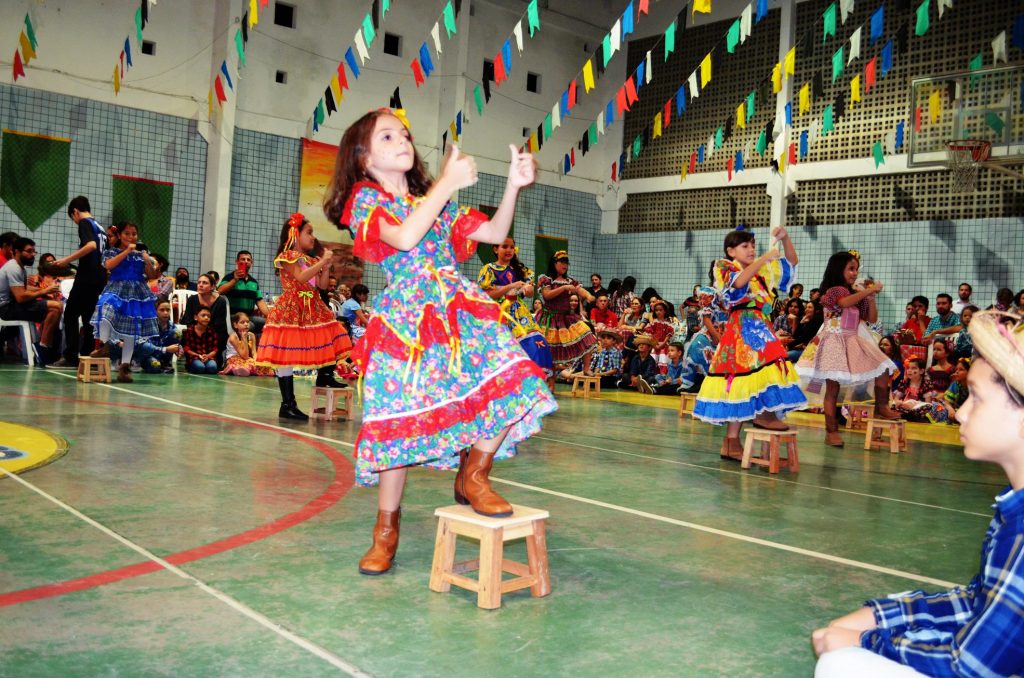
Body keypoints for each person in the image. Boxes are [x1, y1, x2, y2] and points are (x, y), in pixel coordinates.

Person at [323, 109, 556, 575]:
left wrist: (512, 185)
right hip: (405, 321)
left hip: (459, 307)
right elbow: (407, 238)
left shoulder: (437, 199)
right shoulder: (365, 200)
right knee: (395, 419)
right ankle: (385, 529)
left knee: (512, 380)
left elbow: (493, 233)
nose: (403, 140)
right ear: (363, 157)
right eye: (387, 135)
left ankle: (475, 473)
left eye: (406, 134)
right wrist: (446, 184)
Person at [812, 310, 1024, 677]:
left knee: (840, 664)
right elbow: (979, 601)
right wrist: (881, 615)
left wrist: (867, 642)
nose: (960, 414)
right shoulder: (1012, 505)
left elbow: (971, 664)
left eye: (976, 397)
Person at [693, 226, 807, 460]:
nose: (751, 250)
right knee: (740, 382)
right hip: (741, 328)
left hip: (761, 326)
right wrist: (764, 257)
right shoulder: (724, 267)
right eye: (745, 246)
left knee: (764, 374)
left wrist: (785, 240)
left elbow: (791, 263)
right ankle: (734, 438)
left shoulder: (762, 270)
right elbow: (737, 285)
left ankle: (758, 418)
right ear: (731, 251)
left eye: (753, 245)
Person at [795, 252, 899, 447]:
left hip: (852, 340)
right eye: (851, 269)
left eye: (856, 269)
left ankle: (882, 407)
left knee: (883, 367)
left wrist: (871, 298)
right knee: (832, 388)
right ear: (838, 269)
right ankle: (831, 430)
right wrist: (867, 291)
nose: (854, 273)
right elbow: (843, 303)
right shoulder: (833, 291)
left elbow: (871, 319)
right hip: (834, 340)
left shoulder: (855, 294)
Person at [255, 214, 352, 418]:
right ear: (295, 234)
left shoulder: (310, 259)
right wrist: (322, 262)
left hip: (312, 305)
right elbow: (300, 277)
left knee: (330, 336)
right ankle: (287, 404)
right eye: (309, 232)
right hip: (292, 307)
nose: (313, 237)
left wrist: (324, 268)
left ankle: (325, 374)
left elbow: (323, 286)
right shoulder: (287, 256)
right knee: (286, 354)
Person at [89, 222, 161, 383]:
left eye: (134, 234)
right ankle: (106, 345)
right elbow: (109, 265)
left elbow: (151, 275)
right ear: (120, 235)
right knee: (105, 311)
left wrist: (147, 261)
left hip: (136, 292)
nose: (131, 237)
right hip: (116, 288)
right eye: (127, 233)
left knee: (130, 332)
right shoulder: (111, 251)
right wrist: (127, 251)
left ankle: (125, 367)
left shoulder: (140, 254)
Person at [478, 237, 554, 381]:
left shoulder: (520, 270)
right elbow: (487, 294)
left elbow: (531, 291)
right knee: (501, 349)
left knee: (537, 342)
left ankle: (533, 380)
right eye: (504, 246)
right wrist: (510, 287)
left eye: (511, 247)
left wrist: (527, 288)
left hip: (519, 312)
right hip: (498, 313)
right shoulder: (488, 269)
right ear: (495, 249)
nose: (509, 250)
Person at [51, 196, 107, 368]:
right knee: (88, 317)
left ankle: (70, 356)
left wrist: (66, 260)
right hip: (99, 277)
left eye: (73, 218)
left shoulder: (85, 223)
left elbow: (90, 246)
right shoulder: (101, 228)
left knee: (70, 315)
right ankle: (87, 356)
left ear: (75, 211)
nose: (75, 222)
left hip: (87, 277)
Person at [0, 237, 62, 361]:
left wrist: (45, 293)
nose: (32, 255)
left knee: (55, 307)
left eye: (34, 251)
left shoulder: (19, 266)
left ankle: (42, 345)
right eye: (29, 251)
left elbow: (23, 287)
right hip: (6, 309)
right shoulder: (14, 268)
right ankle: (42, 349)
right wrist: (44, 291)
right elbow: (21, 297)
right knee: (56, 307)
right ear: (16, 251)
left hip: (12, 305)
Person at [537, 250, 597, 374]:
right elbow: (547, 295)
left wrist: (589, 296)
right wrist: (563, 288)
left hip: (566, 318)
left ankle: (586, 368)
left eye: (567, 263)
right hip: (550, 319)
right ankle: (549, 380)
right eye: (562, 262)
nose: (565, 265)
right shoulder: (546, 279)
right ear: (554, 263)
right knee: (549, 351)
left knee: (588, 334)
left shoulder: (570, 281)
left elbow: (581, 290)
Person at [218, 250, 273, 335]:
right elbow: (219, 291)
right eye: (243, 259)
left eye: (248, 260)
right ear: (237, 262)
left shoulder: (254, 282)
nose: (246, 261)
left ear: (251, 263)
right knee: (250, 326)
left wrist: (272, 317)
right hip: (233, 317)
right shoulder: (229, 277)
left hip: (248, 317)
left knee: (270, 325)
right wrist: (235, 280)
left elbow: (260, 301)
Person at [181, 274, 230, 356]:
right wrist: (199, 331)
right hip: (196, 332)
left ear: (212, 286)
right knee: (187, 333)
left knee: (221, 336)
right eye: (199, 282)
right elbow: (188, 320)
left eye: (204, 283)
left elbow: (220, 325)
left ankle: (214, 357)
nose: (200, 285)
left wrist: (206, 333)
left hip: (214, 333)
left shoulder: (221, 301)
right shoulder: (192, 299)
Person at [221, 312, 273, 377]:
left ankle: (246, 370)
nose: (246, 324)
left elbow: (254, 352)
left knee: (264, 366)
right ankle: (233, 368)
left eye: (247, 322)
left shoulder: (251, 335)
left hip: (246, 358)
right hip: (234, 358)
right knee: (247, 364)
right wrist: (244, 339)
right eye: (242, 322)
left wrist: (257, 361)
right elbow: (244, 356)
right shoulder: (233, 337)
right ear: (235, 325)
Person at [182, 308, 219, 374]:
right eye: (203, 315)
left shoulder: (212, 331)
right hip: (194, 357)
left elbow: (215, 349)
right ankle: (189, 367)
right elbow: (186, 348)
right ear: (196, 317)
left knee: (212, 367)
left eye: (208, 316)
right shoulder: (189, 331)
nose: (206, 318)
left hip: (208, 357)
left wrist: (208, 356)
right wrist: (198, 355)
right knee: (199, 367)